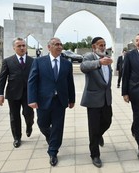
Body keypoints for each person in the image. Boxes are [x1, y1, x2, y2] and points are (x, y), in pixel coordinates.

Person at [28, 37, 75, 166]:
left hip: (60, 101)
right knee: (42, 123)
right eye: (56, 44)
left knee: (58, 127)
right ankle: (51, 136)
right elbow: (32, 81)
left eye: (61, 44)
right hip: (43, 100)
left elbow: (70, 83)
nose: (59, 46)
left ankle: (53, 151)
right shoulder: (39, 62)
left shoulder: (67, 64)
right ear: (49, 47)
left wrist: (72, 99)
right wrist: (32, 99)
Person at [80, 37, 113, 168]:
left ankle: (99, 136)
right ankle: (95, 155)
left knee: (108, 121)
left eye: (104, 45)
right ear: (94, 47)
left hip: (106, 98)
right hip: (93, 99)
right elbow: (83, 66)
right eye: (100, 45)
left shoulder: (107, 58)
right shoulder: (90, 56)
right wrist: (99, 62)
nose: (103, 47)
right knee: (93, 129)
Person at [0, 37, 34, 148]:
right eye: (19, 46)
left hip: (28, 93)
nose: (22, 48)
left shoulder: (33, 61)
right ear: (14, 48)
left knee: (28, 114)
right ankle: (17, 138)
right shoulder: (8, 61)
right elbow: (2, 78)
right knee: (14, 116)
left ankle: (29, 125)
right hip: (13, 93)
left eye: (23, 45)